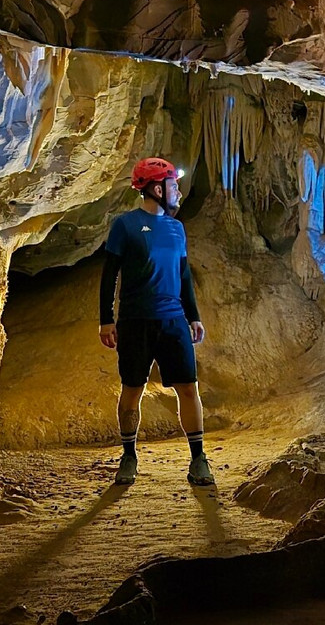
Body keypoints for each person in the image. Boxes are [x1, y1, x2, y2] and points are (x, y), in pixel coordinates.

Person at [98, 156, 214, 486]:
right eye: (174, 185)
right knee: (132, 389)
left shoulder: (177, 229)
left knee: (188, 388)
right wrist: (106, 319)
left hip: (173, 321)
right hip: (135, 321)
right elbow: (110, 275)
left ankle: (198, 459)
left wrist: (193, 316)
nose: (179, 191)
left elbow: (183, 275)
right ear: (157, 189)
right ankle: (129, 456)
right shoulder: (125, 225)